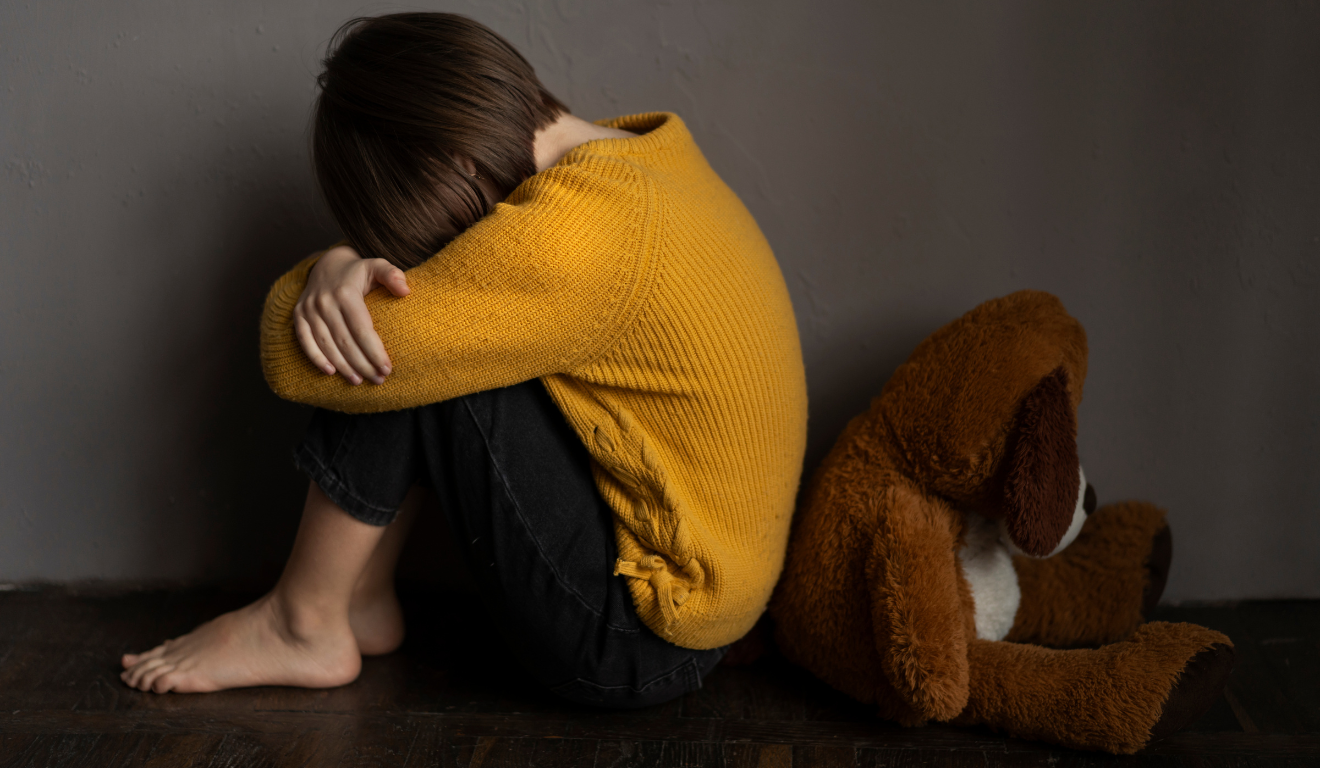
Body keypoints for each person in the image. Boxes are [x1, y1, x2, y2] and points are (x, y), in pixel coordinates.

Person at [120, 12, 807, 708]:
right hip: (705, 601)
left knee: (389, 344)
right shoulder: (642, 156)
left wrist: (336, 268)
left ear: (453, 167)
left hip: (640, 639)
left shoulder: (576, 236)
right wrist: (344, 263)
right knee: (418, 323)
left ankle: (303, 622)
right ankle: (357, 603)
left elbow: (292, 357)